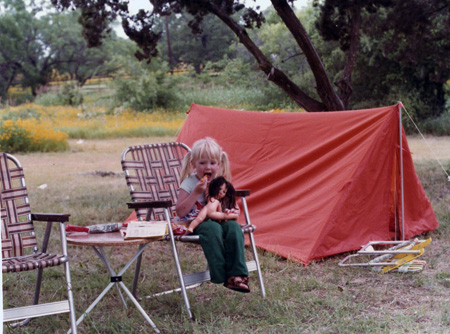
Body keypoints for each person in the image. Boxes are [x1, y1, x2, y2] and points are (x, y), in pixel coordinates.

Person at [176, 137, 250, 293]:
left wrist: (230, 211)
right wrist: (196, 192)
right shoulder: (189, 184)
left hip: (219, 220)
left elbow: (230, 206)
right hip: (193, 224)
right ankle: (220, 274)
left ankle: (237, 274)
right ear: (193, 164)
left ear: (219, 164)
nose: (207, 167)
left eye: (212, 163)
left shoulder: (221, 184)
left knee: (234, 227)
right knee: (212, 228)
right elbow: (180, 211)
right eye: (202, 163)